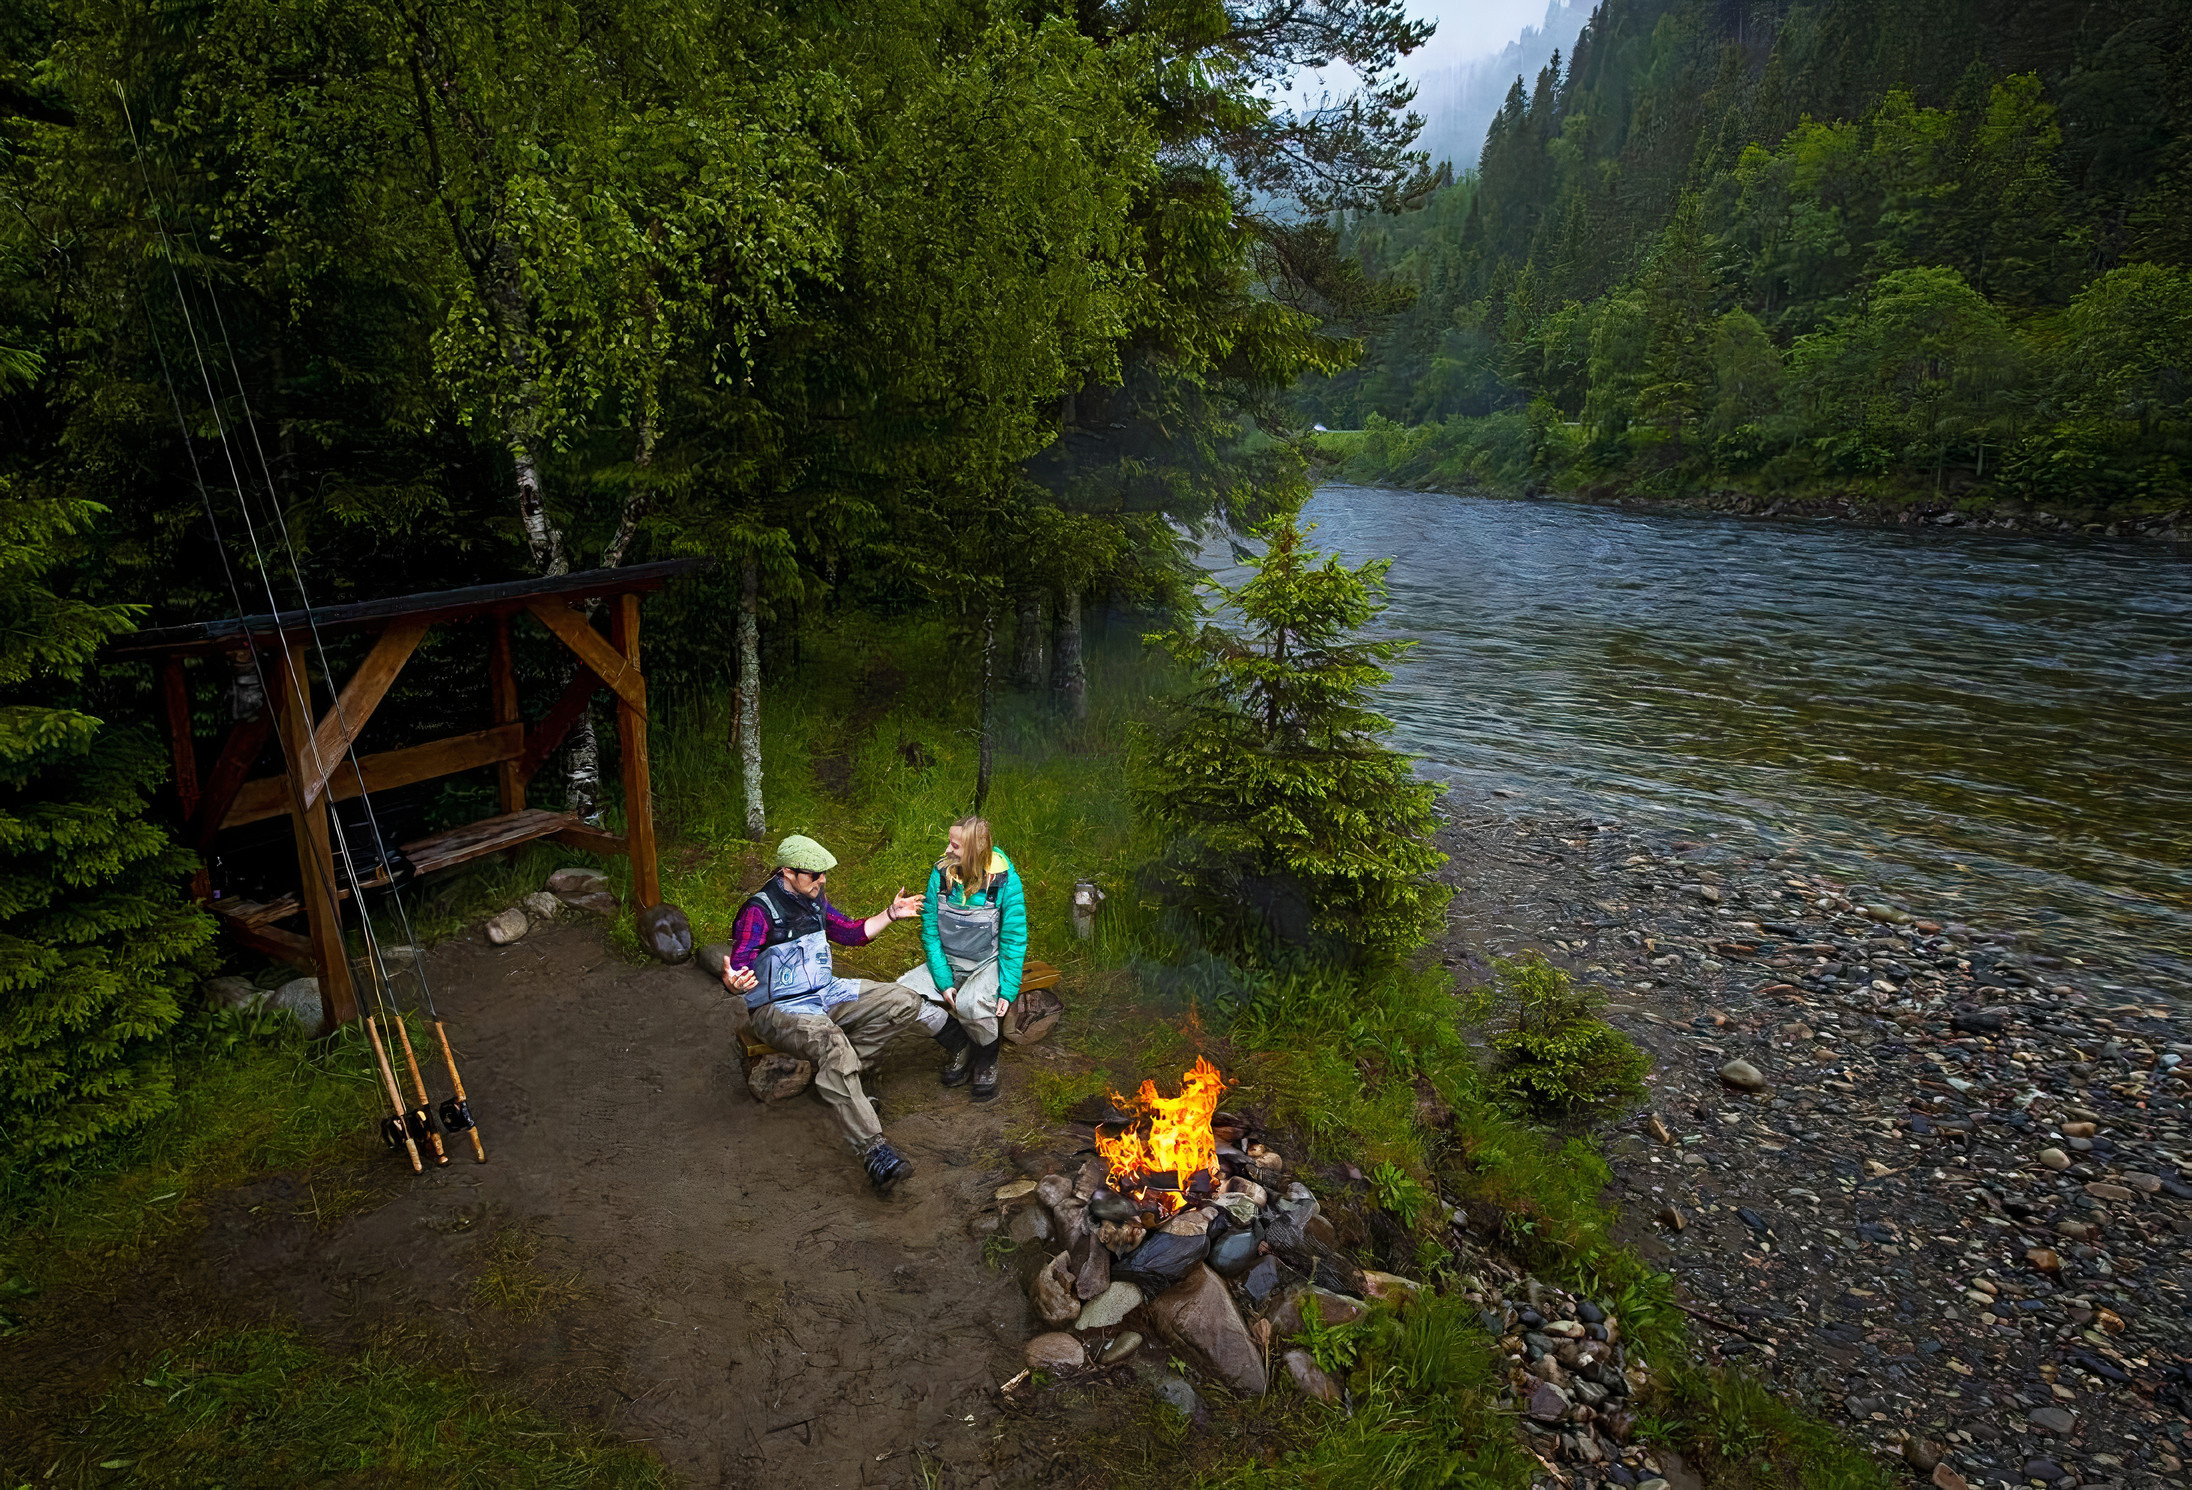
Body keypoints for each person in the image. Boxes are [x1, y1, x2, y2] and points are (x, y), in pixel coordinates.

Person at [721, 834, 926, 1192]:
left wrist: (891, 914)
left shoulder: (813, 900)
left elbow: (849, 932)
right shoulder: (758, 910)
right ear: (788, 872)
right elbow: (739, 966)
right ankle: (874, 1150)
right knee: (833, 1043)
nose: (822, 880)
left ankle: (847, 1084)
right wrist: (734, 982)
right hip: (778, 1009)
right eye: (815, 874)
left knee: (903, 1000)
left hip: (824, 992)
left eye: (823, 874)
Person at [896, 816, 1027, 1103]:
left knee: (971, 1003)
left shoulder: (1004, 880)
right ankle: (959, 1043)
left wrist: (1008, 987)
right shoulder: (940, 874)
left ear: (974, 850)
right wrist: (943, 981)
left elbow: (1013, 938)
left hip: (986, 963)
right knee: (899, 996)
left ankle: (986, 1058)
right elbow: (930, 931)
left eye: (954, 845)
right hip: (948, 960)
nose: (947, 849)